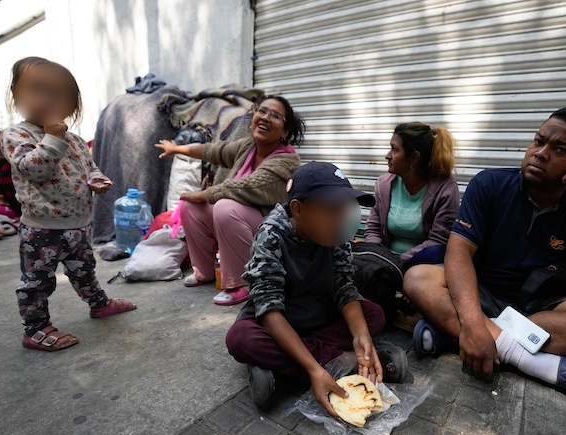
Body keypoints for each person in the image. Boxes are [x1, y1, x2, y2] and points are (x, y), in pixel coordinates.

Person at [404, 107, 566, 415]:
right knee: (417, 277)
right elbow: (459, 252)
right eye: (538, 141)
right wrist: (474, 321)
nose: (540, 153)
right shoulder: (489, 184)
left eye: (559, 149)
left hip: (549, 307)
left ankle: (457, 335)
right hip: (485, 295)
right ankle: (535, 363)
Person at [225, 162, 409, 412]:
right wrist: (314, 368)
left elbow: (345, 287)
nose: (341, 218)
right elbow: (269, 309)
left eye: (344, 209)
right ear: (298, 209)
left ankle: (285, 371)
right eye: (331, 209)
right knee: (241, 339)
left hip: (320, 312)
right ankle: (338, 365)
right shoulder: (271, 236)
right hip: (281, 318)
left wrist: (361, 337)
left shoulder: (336, 232)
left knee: (373, 315)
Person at [1, 57, 136, 351]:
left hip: (78, 224)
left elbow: (89, 167)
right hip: (41, 228)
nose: (49, 99)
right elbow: (34, 168)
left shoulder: (74, 140)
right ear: (15, 94)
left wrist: (97, 179)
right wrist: (52, 138)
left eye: (59, 94)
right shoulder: (17, 135)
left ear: (74, 105)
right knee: (38, 281)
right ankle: (35, 329)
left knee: (84, 269)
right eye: (38, 90)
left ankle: (98, 304)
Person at [156, 95, 302, 306]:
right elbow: (212, 151)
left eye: (275, 116)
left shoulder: (286, 161)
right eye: (262, 111)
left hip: (272, 236)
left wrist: (204, 194)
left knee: (224, 206)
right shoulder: (248, 147)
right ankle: (204, 271)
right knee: (190, 206)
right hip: (241, 224)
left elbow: (247, 186)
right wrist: (176, 149)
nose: (265, 117)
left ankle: (241, 283)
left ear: (285, 131)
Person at [365, 122, 459, 265]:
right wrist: (376, 258)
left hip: (423, 265)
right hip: (384, 263)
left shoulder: (445, 189)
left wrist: (398, 261)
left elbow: (437, 242)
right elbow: (373, 230)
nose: (387, 156)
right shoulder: (383, 185)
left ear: (414, 158)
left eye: (394, 149)